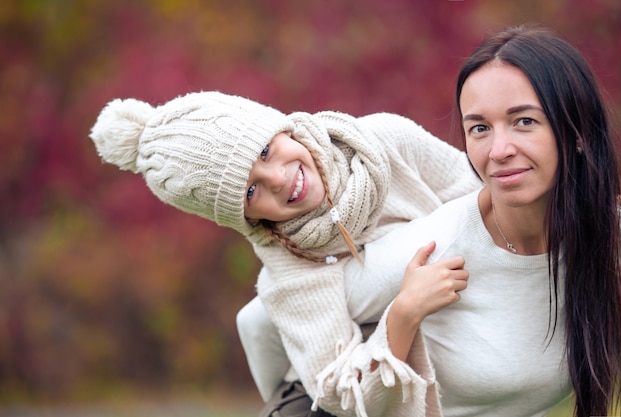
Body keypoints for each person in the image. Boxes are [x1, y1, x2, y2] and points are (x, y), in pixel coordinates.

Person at [88, 91, 481, 415]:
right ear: (248, 219)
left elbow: (482, 196)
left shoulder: (382, 141)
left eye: (263, 152)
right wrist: (403, 313)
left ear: (283, 128)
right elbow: (339, 392)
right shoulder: (289, 270)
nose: (278, 179)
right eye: (249, 191)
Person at [309, 25, 621, 417]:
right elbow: (270, 315)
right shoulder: (438, 245)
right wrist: (403, 313)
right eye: (479, 128)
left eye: (524, 121)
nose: (499, 150)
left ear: (577, 131)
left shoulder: (607, 234)